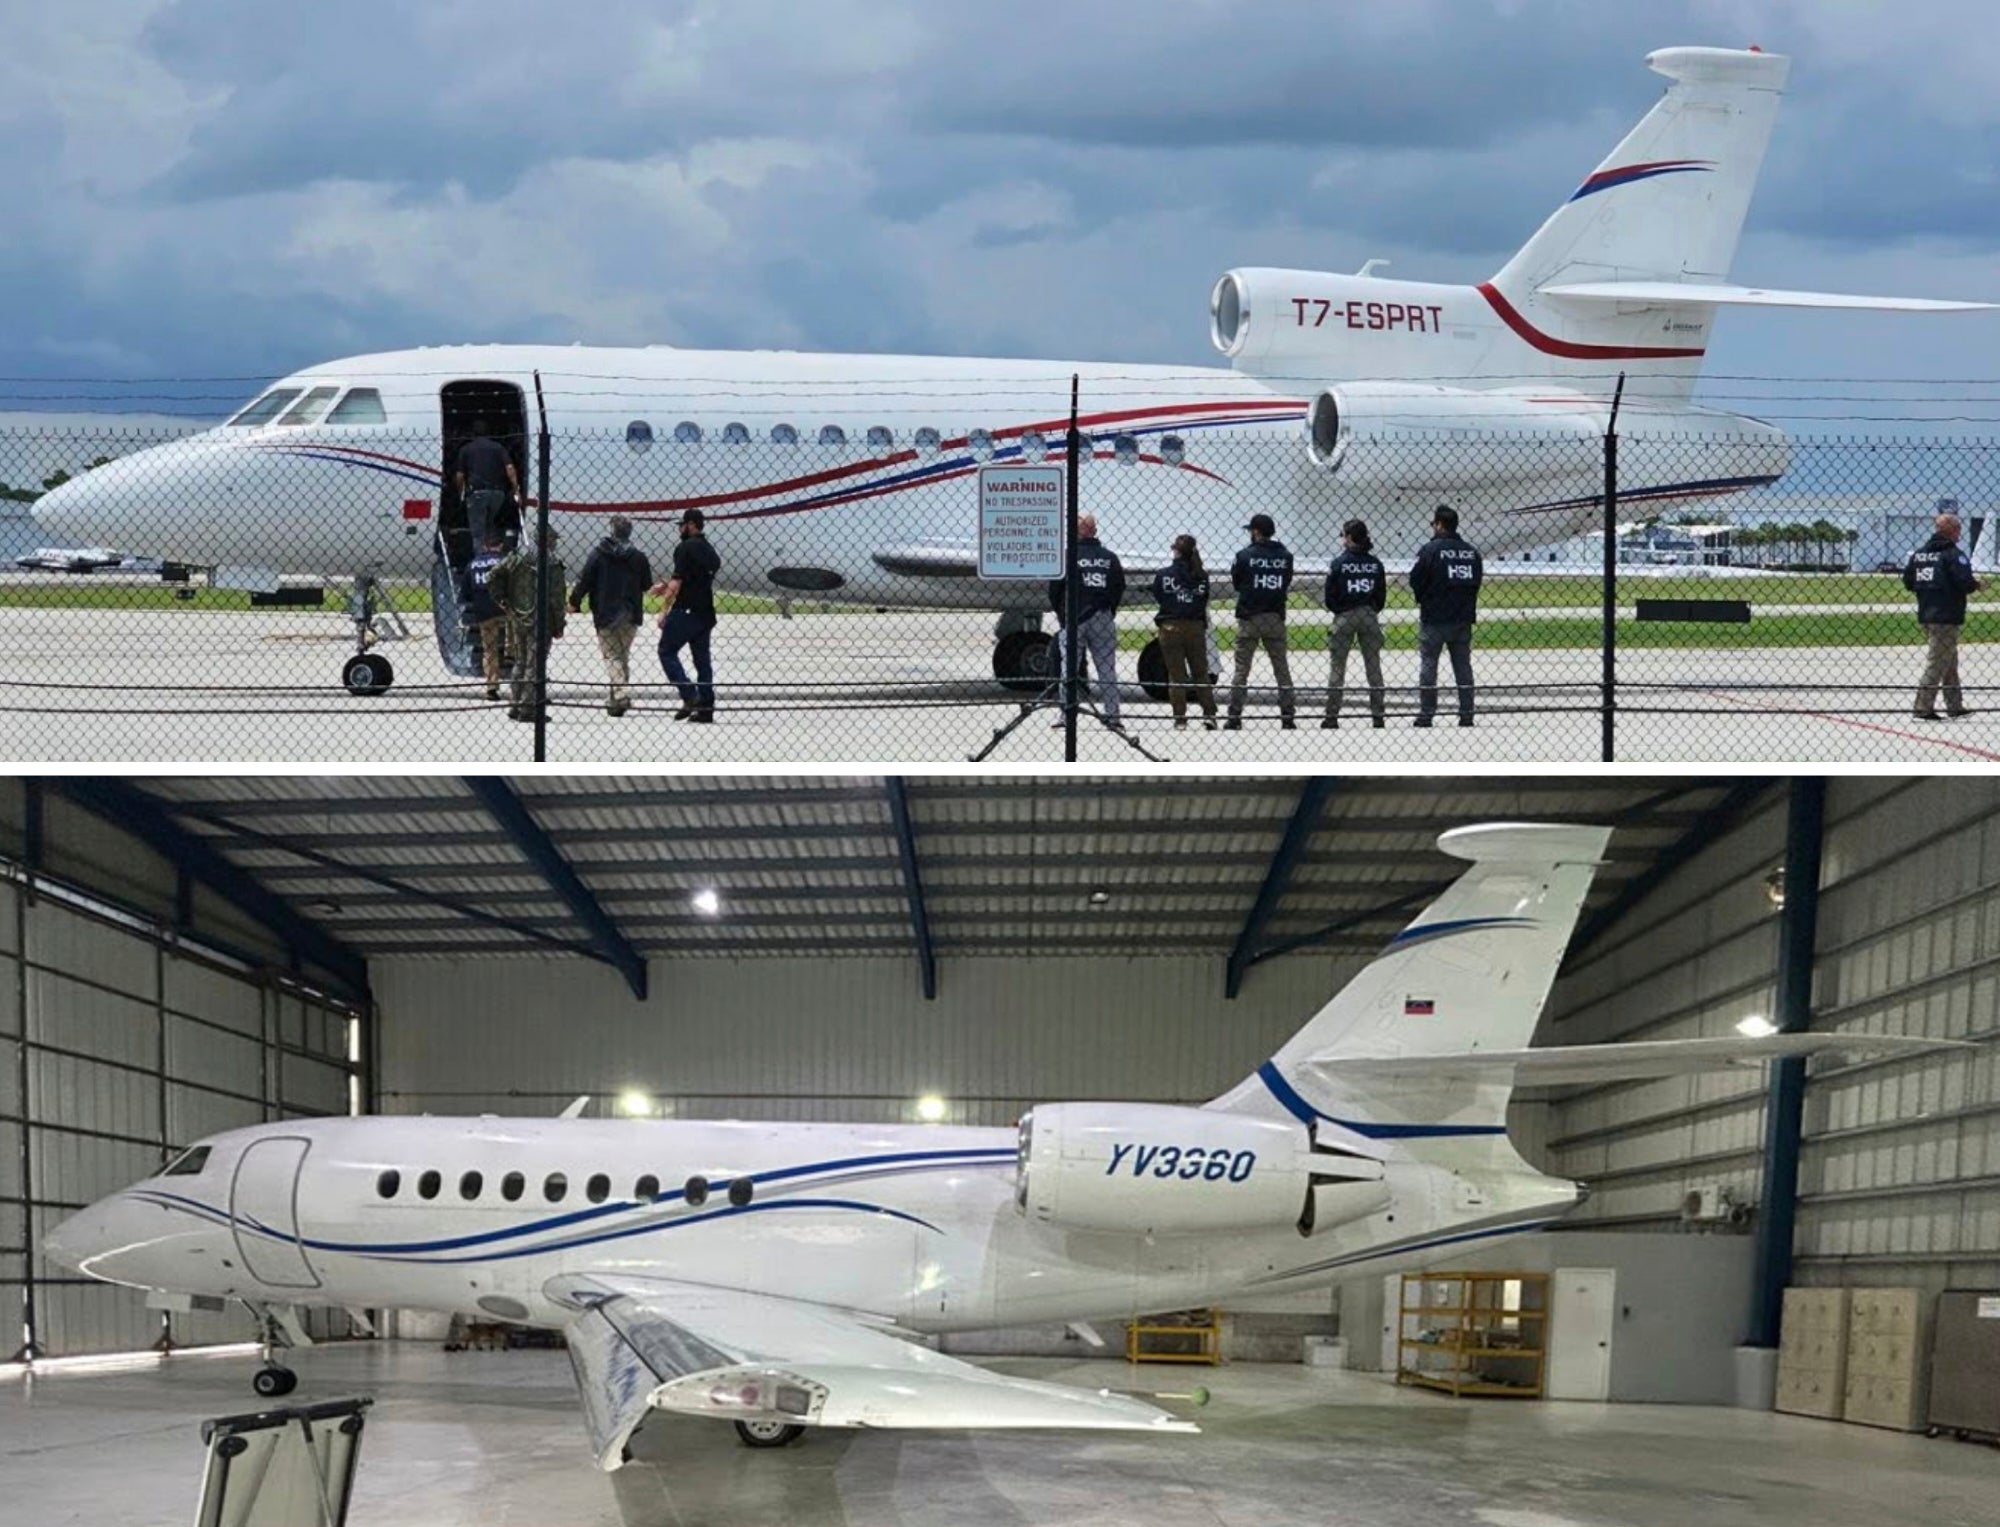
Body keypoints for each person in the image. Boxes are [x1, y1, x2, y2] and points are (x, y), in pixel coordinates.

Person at [1047, 512, 1127, 728]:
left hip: (1074, 617)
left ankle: (1066, 714)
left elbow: (1054, 589)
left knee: (1068, 668)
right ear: (1094, 531)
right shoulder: (1110, 558)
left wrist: (1062, 615)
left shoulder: (1067, 556)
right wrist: (1109, 610)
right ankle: (1113, 716)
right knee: (1107, 669)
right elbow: (1118, 587)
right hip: (1102, 615)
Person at [568, 515, 653, 717]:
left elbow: (585, 580)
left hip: (606, 611)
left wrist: (574, 601)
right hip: (630, 612)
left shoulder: (598, 555)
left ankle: (620, 694)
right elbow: (647, 585)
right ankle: (616, 701)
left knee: (612, 656)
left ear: (612, 530)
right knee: (622, 656)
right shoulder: (638, 557)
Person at [1408, 504, 1483, 728]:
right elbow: (1476, 581)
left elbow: (1416, 580)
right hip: (1462, 616)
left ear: (1439, 524)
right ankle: (1467, 712)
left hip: (1435, 616)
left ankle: (1427, 713)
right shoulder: (1471, 552)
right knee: (1463, 666)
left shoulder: (1430, 551)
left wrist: (1424, 598)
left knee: (1429, 664)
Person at [1903, 510, 1983, 720]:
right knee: (1937, 662)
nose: (1959, 534)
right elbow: (1964, 582)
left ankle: (1954, 705)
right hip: (1947, 615)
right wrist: (1977, 585)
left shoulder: (1919, 554)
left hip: (1927, 611)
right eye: (1958, 530)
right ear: (1951, 530)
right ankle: (1922, 707)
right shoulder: (1952, 554)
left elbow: (1908, 582)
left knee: (1948, 660)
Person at [1225, 512, 1296, 729]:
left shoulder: (1244, 556)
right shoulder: (1285, 556)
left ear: (1256, 532)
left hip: (1250, 616)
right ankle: (1287, 715)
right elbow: (1286, 581)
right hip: (1274, 615)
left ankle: (1235, 715)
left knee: (1241, 670)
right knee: (1281, 668)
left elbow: (1237, 583)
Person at [492, 522, 567, 722]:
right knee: (535, 664)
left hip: (519, 617)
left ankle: (515, 704)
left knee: (520, 661)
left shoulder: (517, 557)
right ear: (547, 540)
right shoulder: (551, 563)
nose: (554, 544)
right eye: (553, 540)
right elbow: (557, 598)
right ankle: (529, 708)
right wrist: (559, 624)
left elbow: (494, 576)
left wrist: (504, 600)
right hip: (542, 620)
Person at [655, 507, 722, 722]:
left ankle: (689, 694)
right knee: (702, 661)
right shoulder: (708, 550)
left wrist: (664, 610)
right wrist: (667, 584)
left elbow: (679, 581)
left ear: (691, 524)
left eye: (681, 525)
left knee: (666, 651)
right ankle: (706, 706)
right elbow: (695, 578)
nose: (679, 529)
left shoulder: (685, 548)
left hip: (685, 611)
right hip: (705, 613)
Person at [1323, 517, 1387, 729]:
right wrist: (1369, 608)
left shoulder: (1339, 563)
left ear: (1349, 537)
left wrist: (1340, 609)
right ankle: (1378, 714)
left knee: (1337, 668)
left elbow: (1330, 596)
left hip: (1345, 615)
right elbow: (1381, 596)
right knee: (1373, 667)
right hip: (1369, 613)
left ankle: (1332, 716)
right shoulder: (1375, 564)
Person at [1151, 532, 1217, 729]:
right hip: (1195, 626)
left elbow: (1159, 595)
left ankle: (1180, 718)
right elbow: (1203, 599)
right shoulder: (1201, 576)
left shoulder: (1164, 575)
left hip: (1170, 626)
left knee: (1176, 675)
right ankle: (1209, 714)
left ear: (1175, 551)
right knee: (1200, 673)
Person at [455, 420, 521, 552]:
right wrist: (516, 490)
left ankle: (480, 557)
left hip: (477, 493)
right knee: (490, 521)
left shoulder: (466, 450)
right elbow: (509, 468)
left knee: (477, 530)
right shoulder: (498, 448)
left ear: (472, 433)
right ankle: (493, 550)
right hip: (497, 494)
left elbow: (460, 476)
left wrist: (460, 493)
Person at [464, 531, 509, 701]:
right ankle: (511, 656)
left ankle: (492, 686)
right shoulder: (506, 562)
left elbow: (466, 593)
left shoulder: (473, 564)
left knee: (489, 650)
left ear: (484, 546)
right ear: (501, 546)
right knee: (517, 641)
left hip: (484, 612)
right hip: (506, 609)